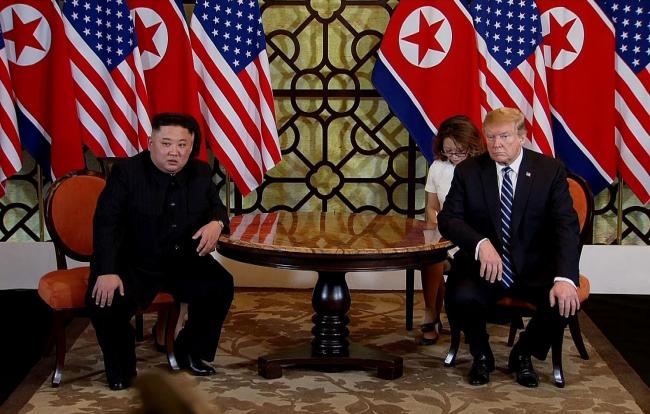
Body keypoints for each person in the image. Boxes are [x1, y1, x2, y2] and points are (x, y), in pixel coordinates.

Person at [86, 113, 234, 391]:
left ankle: (188, 350)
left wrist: (217, 222)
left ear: (191, 147)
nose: (174, 152)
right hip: (134, 262)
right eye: (166, 143)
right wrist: (107, 270)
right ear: (150, 142)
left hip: (181, 261)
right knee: (102, 300)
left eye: (182, 145)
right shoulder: (127, 173)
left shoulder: (200, 172)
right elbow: (106, 224)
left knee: (221, 285)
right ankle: (121, 364)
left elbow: (217, 208)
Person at [438, 107, 581, 387]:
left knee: (564, 302)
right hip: (484, 266)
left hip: (534, 265)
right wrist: (480, 243)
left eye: (504, 136)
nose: (496, 144)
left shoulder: (549, 170)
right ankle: (481, 355)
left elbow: (566, 226)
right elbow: (448, 219)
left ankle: (523, 354)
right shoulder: (469, 171)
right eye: (490, 137)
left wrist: (565, 278)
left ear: (522, 137)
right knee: (458, 294)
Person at [419, 116, 484, 345]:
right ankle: (431, 314)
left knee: (438, 258)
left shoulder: (482, 168)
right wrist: (438, 228)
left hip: (473, 238)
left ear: (472, 146)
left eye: (459, 151)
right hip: (445, 234)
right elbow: (432, 207)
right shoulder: (438, 167)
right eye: (449, 151)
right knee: (432, 256)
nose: (453, 157)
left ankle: (442, 316)